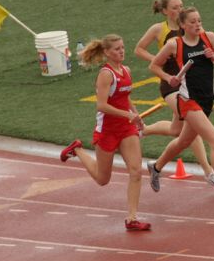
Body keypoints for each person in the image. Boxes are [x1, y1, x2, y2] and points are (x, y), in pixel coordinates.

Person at [146, 7, 214, 204]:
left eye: (199, 21)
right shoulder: (174, 44)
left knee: (183, 141)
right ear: (183, 25)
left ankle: (156, 167)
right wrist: (169, 78)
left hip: (207, 99)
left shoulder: (209, 37)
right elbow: (153, 65)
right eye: (193, 22)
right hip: (188, 100)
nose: (197, 25)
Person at [60, 34, 151, 231]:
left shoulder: (126, 70)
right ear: (107, 53)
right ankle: (77, 150)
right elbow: (101, 106)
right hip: (108, 130)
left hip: (126, 128)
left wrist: (136, 116)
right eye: (117, 49)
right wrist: (127, 114)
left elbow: (126, 98)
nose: (122, 51)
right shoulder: (106, 74)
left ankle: (132, 218)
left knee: (136, 170)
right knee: (103, 179)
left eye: (123, 47)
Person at [134, 0, 214, 188]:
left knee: (176, 131)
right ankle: (208, 171)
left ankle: (145, 133)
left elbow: (204, 45)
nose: (179, 10)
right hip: (171, 84)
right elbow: (138, 49)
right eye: (174, 7)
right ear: (164, 11)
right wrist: (158, 60)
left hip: (191, 84)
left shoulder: (191, 27)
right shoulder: (159, 29)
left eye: (181, 6)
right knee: (194, 121)